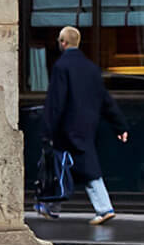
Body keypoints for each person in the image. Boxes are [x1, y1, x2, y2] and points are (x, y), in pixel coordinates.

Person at [36, 26, 130, 225]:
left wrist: (47, 130)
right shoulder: (91, 68)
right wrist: (120, 126)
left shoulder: (61, 67)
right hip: (88, 126)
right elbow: (105, 100)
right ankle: (51, 206)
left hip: (66, 128)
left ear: (63, 43)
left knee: (60, 166)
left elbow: (56, 103)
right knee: (73, 167)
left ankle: (101, 207)